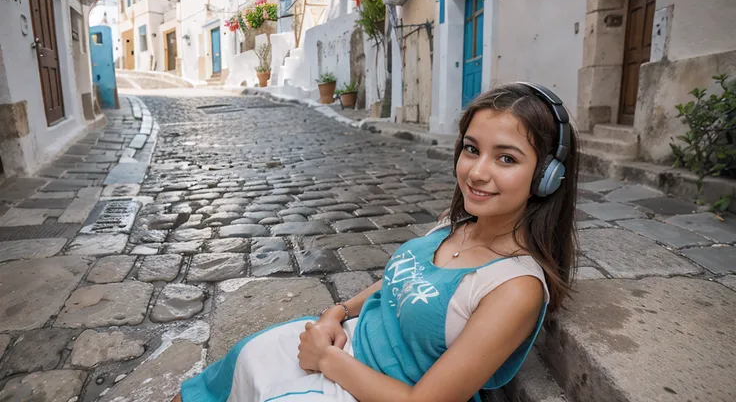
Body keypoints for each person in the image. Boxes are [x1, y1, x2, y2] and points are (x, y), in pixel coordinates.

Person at [172, 82, 579, 402]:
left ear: (547, 177)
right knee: (240, 361)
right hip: (344, 343)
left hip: (370, 388)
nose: (477, 172)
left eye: (506, 158)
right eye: (471, 150)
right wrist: (336, 312)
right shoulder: (454, 225)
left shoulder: (514, 289)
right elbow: (400, 283)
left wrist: (327, 360)